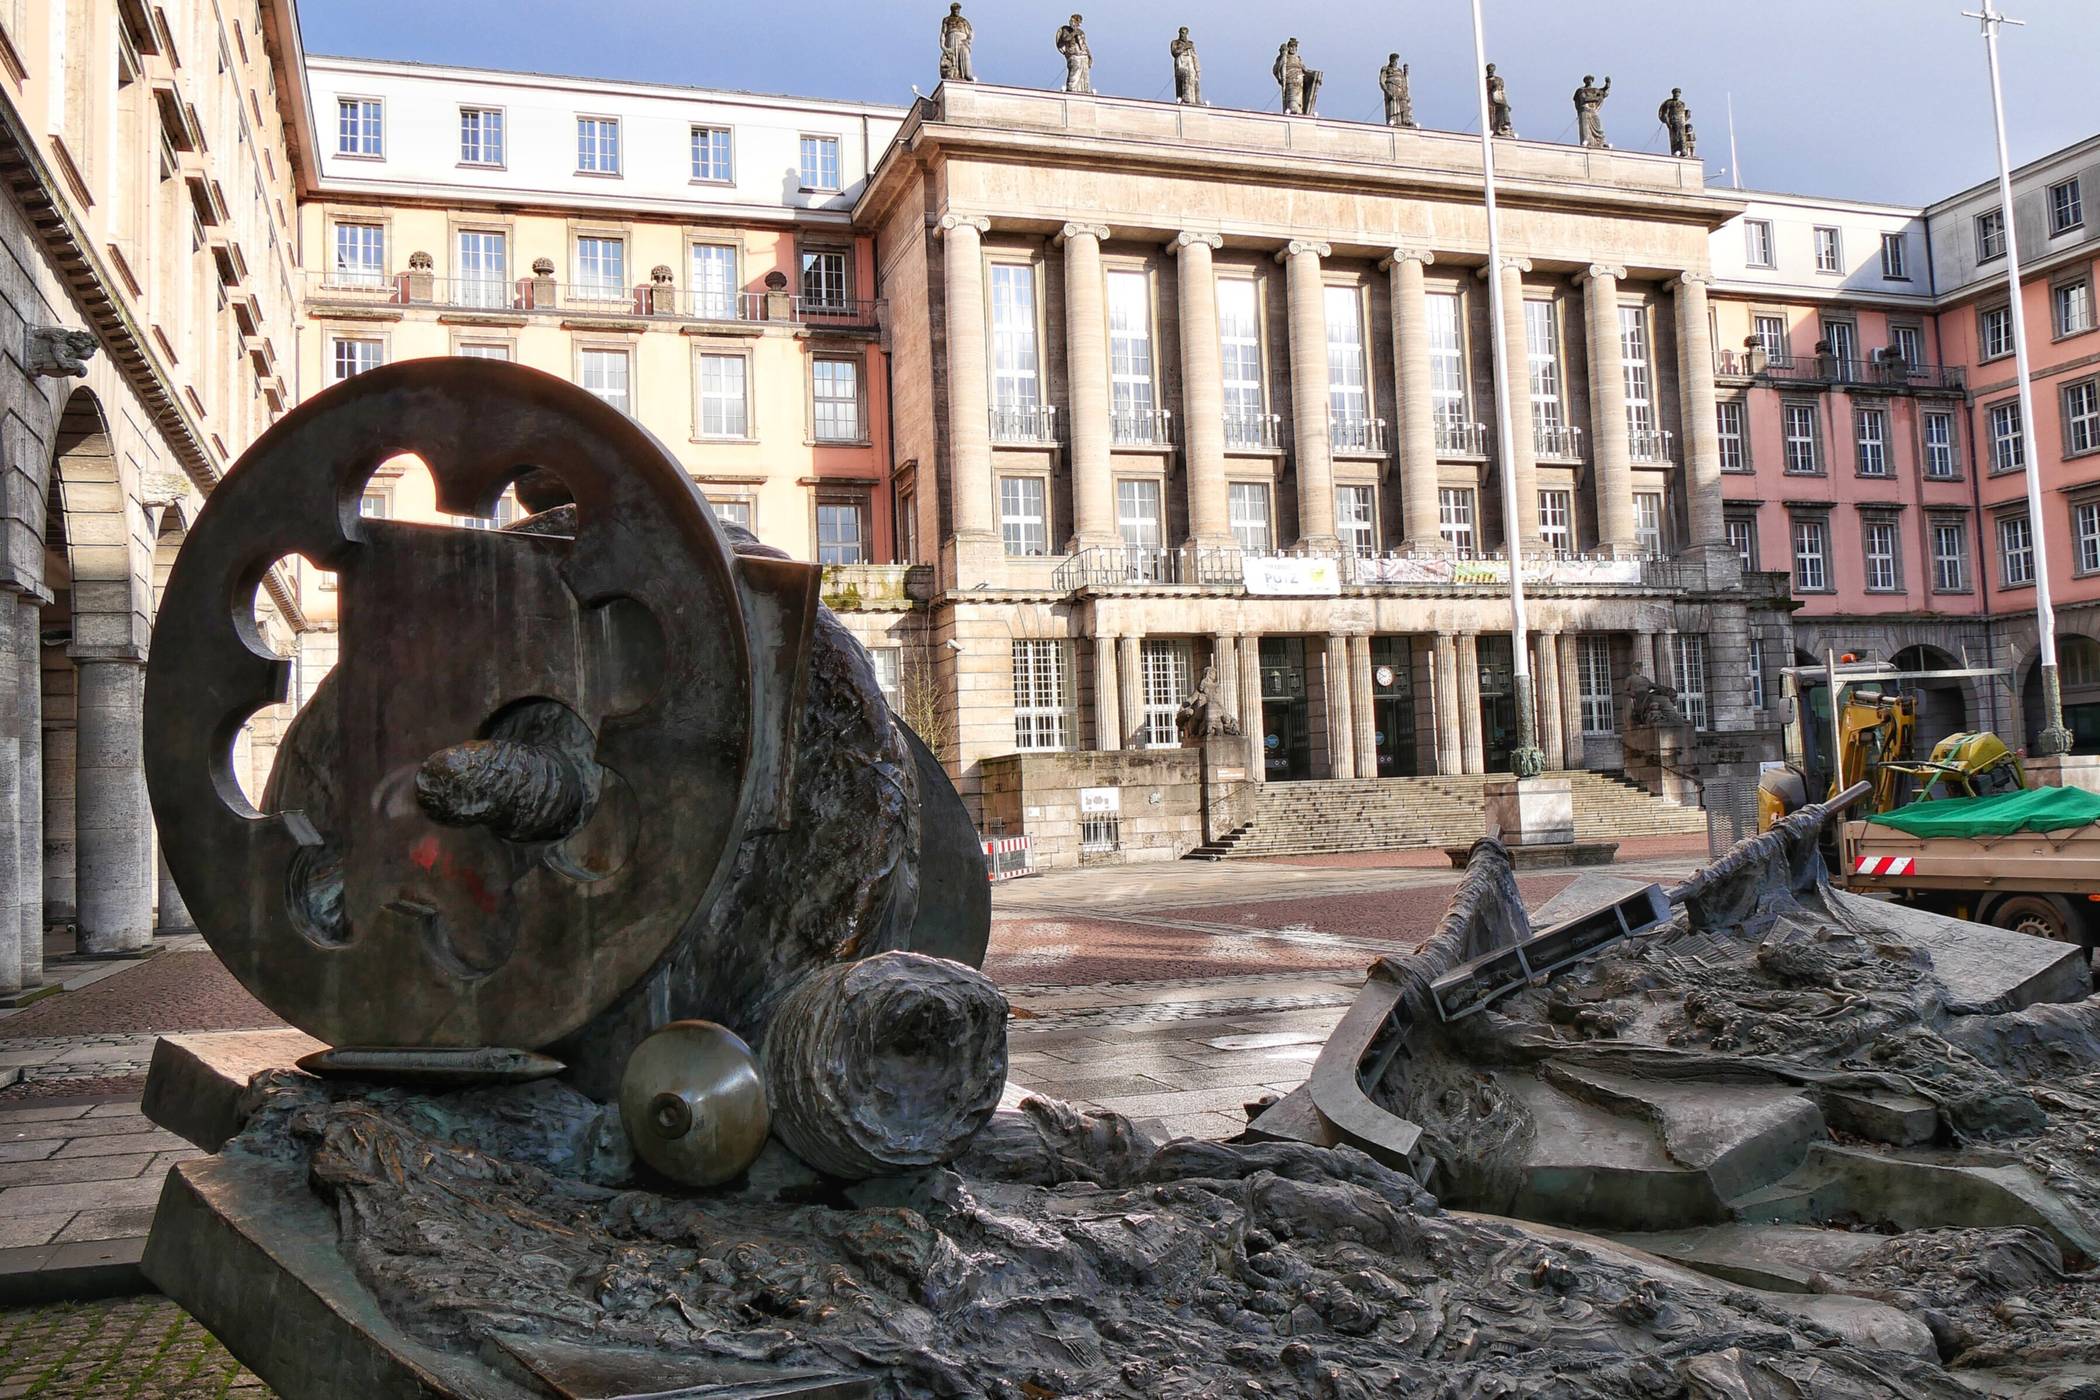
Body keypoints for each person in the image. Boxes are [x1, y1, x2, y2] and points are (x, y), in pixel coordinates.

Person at [1056, 14, 1092, 94]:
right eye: (1077, 22)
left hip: (1083, 55)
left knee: (1084, 76)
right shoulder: (1066, 29)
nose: (1079, 24)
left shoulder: (1081, 32)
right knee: (1074, 74)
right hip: (1074, 54)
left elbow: (1084, 44)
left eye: (1080, 22)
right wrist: (1074, 33)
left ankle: (1084, 91)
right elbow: (1065, 38)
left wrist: (1089, 55)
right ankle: (1072, 90)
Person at [939, 4, 975, 83]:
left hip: (962, 40)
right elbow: (943, 33)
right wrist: (942, 46)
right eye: (956, 10)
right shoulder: (947, 20)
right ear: (952, 10)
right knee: (953, 58)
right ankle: (954, 75)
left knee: (965, 54)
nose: (957, 11)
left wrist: (968, 40)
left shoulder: (963, 20)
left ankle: (966, 75)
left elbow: (971, 32)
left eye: (958, 10)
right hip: (951, 39)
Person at [1658, 87, 1696, 158]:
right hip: (1673, 122)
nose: (1677, 94)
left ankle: (1683, 151)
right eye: (1676, 93)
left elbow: (1684, 114)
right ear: (1673, 94)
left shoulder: (1682, 103)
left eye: (1678, 93)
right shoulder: (1669, 103)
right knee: (1675, 137)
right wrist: (1668, 123)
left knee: (1682, 137)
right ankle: (1676, 151)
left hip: (1681, 122)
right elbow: (1665, 114)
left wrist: (1687, 115)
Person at [1380, 53, 1415, 129]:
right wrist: (1387, 91)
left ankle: (1405, 120)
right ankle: (1394, 121)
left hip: (1401, 91)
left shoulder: (1399, 70)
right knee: (1394, 105)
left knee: (1403, 105)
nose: (1395, 62)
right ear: (1391, 60)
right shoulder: (1386, 69)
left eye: (1396, 61)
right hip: (1392, 89)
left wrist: (1406, 75)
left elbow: (1404, 82)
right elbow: (1382, 81)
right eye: (1394, 60)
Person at [1171, 26, 1201, 105]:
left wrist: (1197, 68)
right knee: (1184, 77)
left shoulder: (1191, 43)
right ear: (1179, 33)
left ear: (1187, 33)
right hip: (1181, 62)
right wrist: (1184, 48)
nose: (1183, 35)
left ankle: (1196, 100)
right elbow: (1174, 52)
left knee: (1194, 80)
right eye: (1181, 33)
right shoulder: (1175, 42)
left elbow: (1195, 56)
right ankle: (1185, 98)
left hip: (1190, 62)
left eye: (1184, 33)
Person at [1485, 63, 1514, 138]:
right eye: (1489, 70)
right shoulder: (1485, 81)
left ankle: (1503, 126)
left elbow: (1502, 93)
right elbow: (1486, 91)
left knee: (1504, 107)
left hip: (1498, 99)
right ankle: (1504, 125)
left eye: (1491, 70)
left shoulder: (1499, 79)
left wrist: (1506, 104)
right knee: (1503, 107)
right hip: (1491, 99)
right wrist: (1492, 88)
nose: (1490, 71)